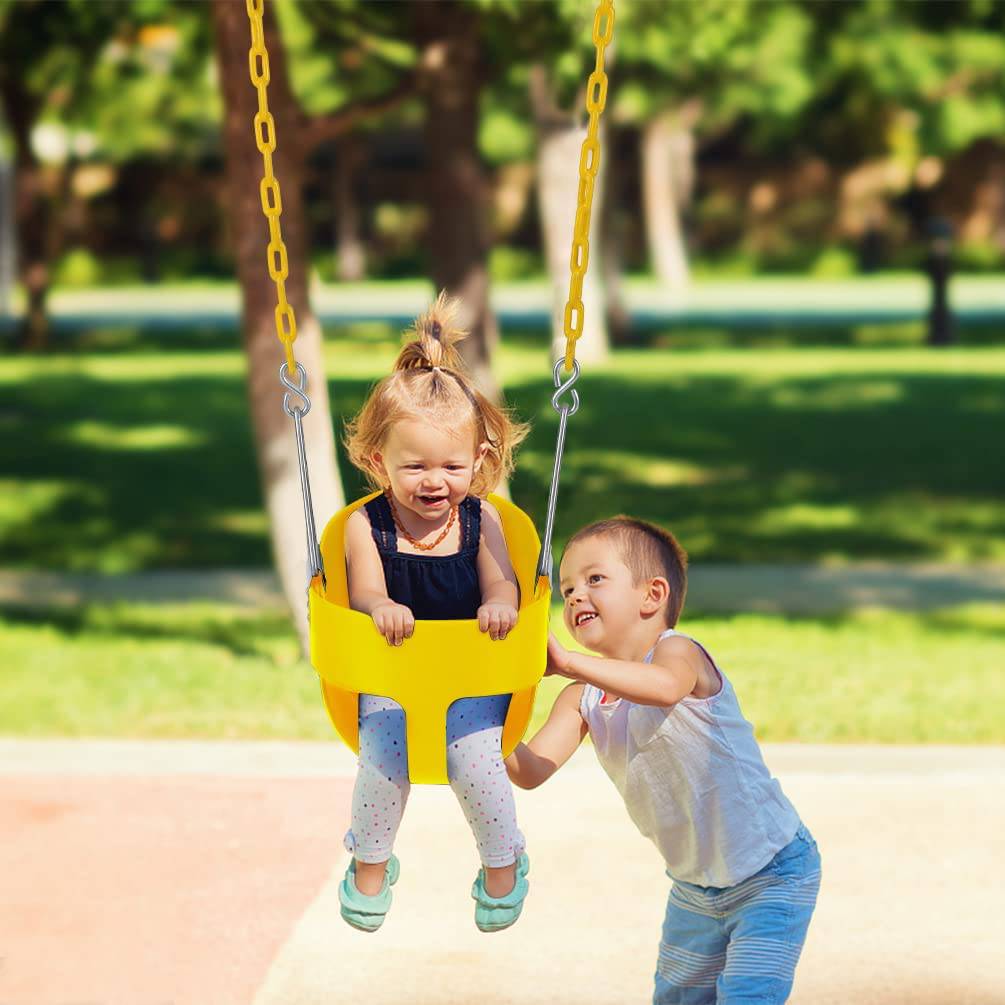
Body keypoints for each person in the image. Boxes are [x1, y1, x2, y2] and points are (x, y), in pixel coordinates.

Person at [505, 516, 821, 1003]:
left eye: (594, 579)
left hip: (771, 872)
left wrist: (568, 660)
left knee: (748, 995)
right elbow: (529, 770)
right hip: (695, 889)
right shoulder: (582, 698)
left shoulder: (678, 653)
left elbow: (665, 690)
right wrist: (479, 727)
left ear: (652, 596)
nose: (573, 596)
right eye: (566, 588)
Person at [338, 292, 531, 934]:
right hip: (391, 677)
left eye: (451, 465)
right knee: (383, 757)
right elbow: (363, 593)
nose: (434, 481)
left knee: (477, 759)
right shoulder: (364, 526)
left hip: (472, 679)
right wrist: (381, 606)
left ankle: (502, 865)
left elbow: (503, 586)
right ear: (376, 461)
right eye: (414, 464)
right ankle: (370, 865)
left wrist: (502, 605)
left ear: (478, 463)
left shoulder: (484, 521)